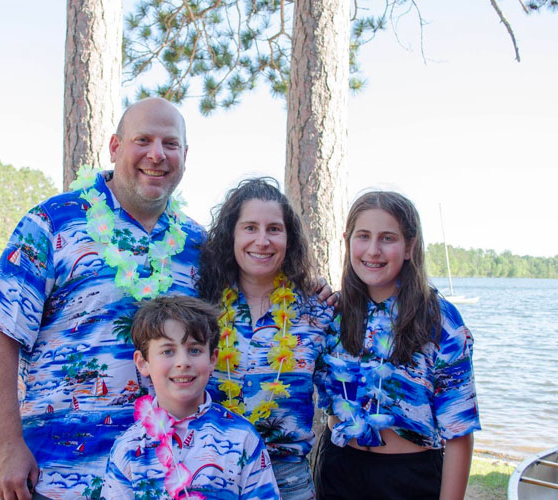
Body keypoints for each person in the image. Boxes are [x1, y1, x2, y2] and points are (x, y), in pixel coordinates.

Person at [0, 97, 206, 500]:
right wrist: (5, 443)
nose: (157, 154)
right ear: (116, 147)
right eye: (143, 140)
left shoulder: (198, 244)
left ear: (185, 155)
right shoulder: (51, 222)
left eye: (170, 144)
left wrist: (315, 291)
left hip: (163, 476)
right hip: (58, 473)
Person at [313, 191, 481, 500]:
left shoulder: (440, 320)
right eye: (363, 236)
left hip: (409, 479)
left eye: (387, 238)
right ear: (348, 241)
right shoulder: (332, 313)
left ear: (409, 247)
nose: (373, 250)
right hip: (337, 470)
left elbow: (459, 431)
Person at [196, 177, 333, 500]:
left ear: (289, 238)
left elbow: (342, 402)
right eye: (250, 228)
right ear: (231, 235)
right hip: (211, 481)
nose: (262, 240)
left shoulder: (318, 313)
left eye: (274, 229)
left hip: (289, 483)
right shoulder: (202, 310)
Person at [102, 296, 280, 499]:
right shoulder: (128, 449)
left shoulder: (243, 439)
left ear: (212, 359)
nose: (183, 362)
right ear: (143, 362)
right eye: (168, 351)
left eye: (194, 350)